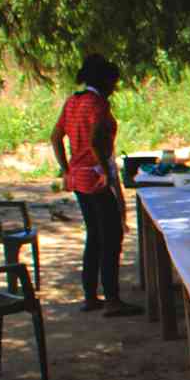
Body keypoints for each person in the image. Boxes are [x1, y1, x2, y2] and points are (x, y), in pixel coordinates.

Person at [49, 54, 143, 316]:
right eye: (113, 82)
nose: (114, 87)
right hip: (95, 176)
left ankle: (90, 295)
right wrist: (104, 169)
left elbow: (55, 137)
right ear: (104, 81)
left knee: (94, 234)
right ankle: (112, 299)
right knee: (111, 236)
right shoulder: (98, 105)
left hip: (78, 177)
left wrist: (66, 168)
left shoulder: (72, 102)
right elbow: (95, 140)